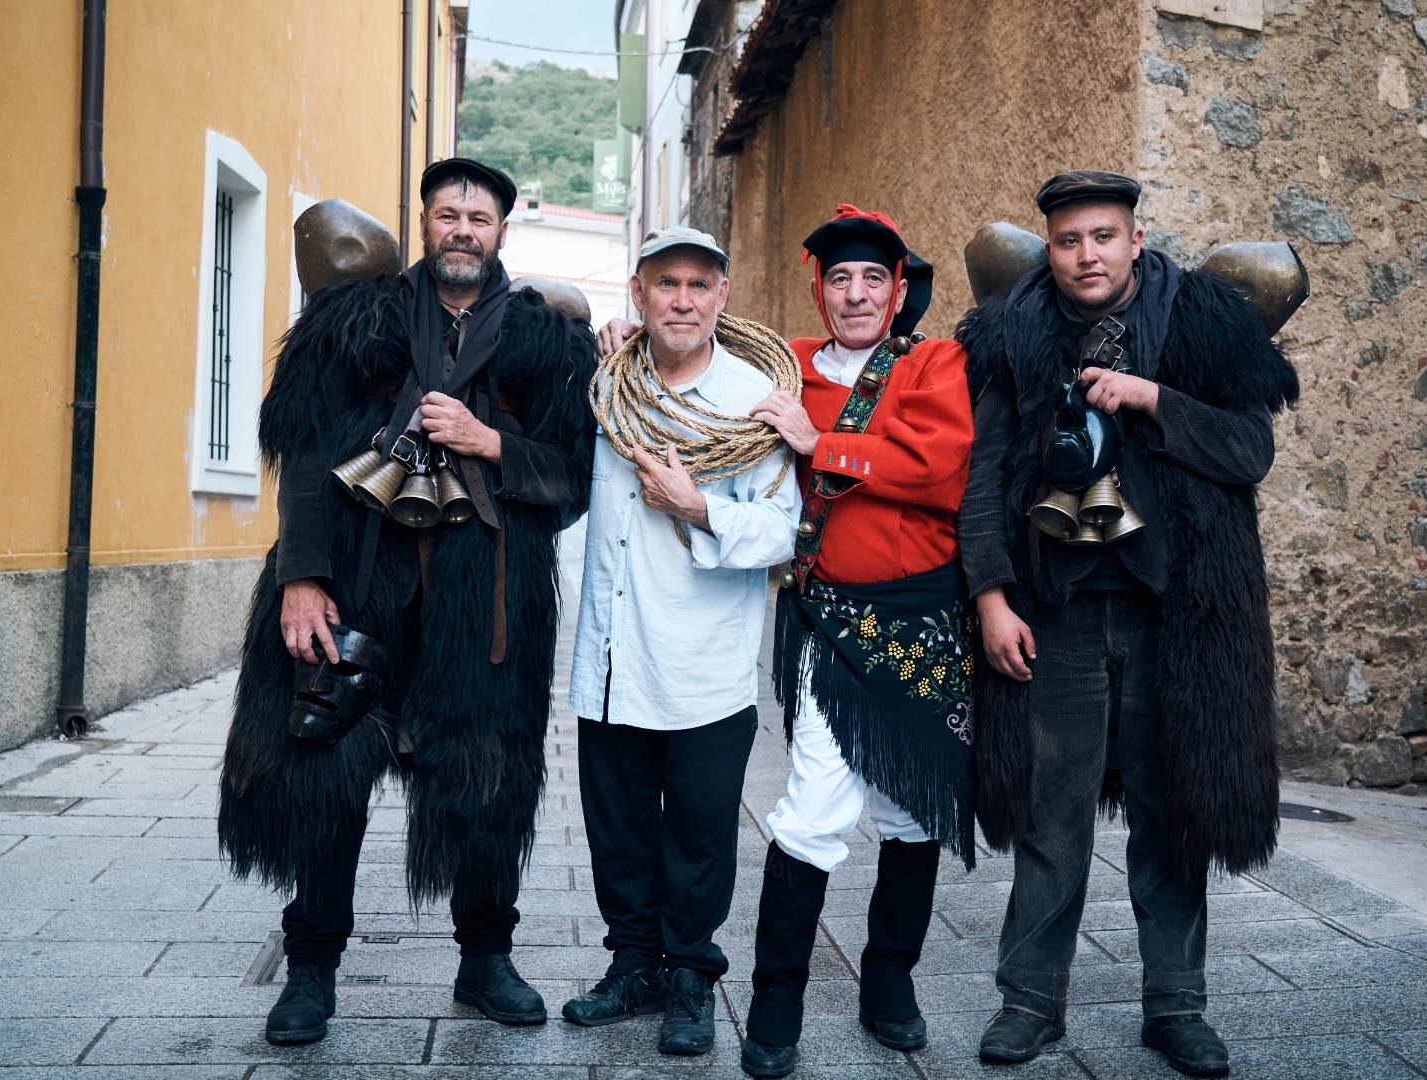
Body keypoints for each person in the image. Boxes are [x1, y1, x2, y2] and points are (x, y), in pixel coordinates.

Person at [218, 157, 597, 1044]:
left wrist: (487, 440)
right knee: (328, 777)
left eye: (480, 217)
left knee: (489, 780)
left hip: (487, 607)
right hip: (357, 588)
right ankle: (311, 968)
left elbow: (572, 480)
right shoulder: (361, 321)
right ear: (424, 224)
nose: (463, 228)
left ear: (505, 231)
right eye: (448, 213)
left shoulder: (550, 343)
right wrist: (301, 577)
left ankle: (485, 961)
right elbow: (307, 455)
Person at [955, 170, 1299, 1076]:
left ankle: (1176, 1007)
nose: (1085, 256)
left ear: (1135, 240)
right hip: (1052, 614)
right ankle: (1029, 1003)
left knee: (1173, 813)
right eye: (1068, 241)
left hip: (1174, 618)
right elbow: (983, 479)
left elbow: (1249, 450)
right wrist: (990, 597)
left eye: (1103, 237)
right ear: (1051, 250)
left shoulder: (1199, 322)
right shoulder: (1009, 335)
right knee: (1048, 818)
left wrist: (1153, 399)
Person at [724, 206, 977, 1078]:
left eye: (874, 278)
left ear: (899, 290)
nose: (857, 293)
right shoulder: (785, 366)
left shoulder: (934, 361)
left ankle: (890, 982)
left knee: (912, 811)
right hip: (828, 622)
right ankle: (775, 1003)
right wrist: (619, 337)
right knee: (815, 808)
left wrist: (820, 442)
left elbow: (940, 472)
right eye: (840, 278)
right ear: (818, 289)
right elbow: (696, 366)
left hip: (921, 625)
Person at [561, 226, 801, 1057]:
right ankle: (633, 966)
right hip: (610, 657)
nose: (684, 300)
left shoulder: (753, 403)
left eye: (701, 285)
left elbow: (780, 532)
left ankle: (691, 977)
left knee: (698, 832)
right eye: (668, 285)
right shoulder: (608, 383)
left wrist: (696, 505)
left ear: (723, 298)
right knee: (618, 827)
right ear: (638, 294)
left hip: (703, 664)